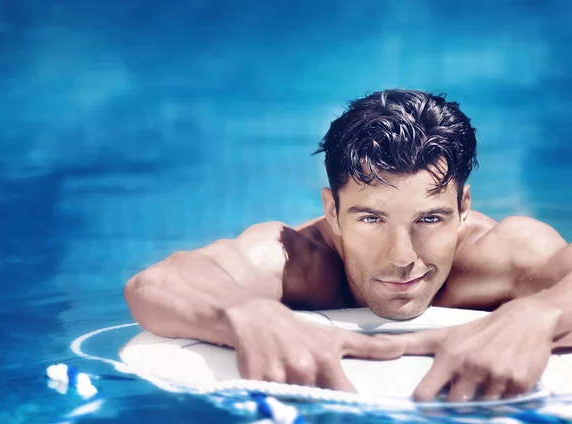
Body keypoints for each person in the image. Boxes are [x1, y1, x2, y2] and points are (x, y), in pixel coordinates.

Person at [124, 89, 572, 402]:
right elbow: (154, 286)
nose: (402, 257)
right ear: (332, 211)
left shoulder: (501, 253)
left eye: (430, 218)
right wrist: (245, 315)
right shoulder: (294, 260)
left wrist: (541, 314)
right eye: (371, 218)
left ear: (464, 208)